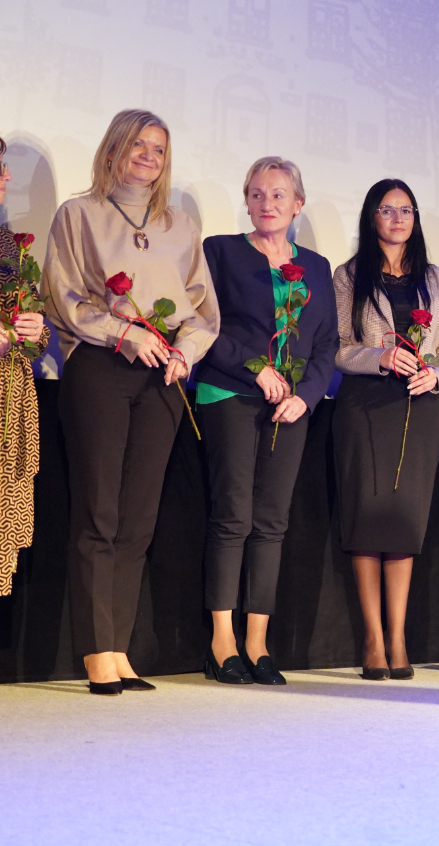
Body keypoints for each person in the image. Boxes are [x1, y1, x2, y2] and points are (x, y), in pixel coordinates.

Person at [42, 109, 219, 695]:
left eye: (159, 149)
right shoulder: (78, 214)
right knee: (99, 513)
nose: (148, 156)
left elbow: (202, 309)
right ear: (114, 149)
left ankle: (119, 648)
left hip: (163, 377)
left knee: (139, 518)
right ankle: (96, 649)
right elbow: (65, 297)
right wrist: (125, 334)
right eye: (138, 144)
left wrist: (184, 351)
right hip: (101, 367)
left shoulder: (179, 225)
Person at [197, 157, 338, 685]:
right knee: (233, 515)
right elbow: (204, 326)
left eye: (278, 195)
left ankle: (257, 642)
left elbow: (326, 343)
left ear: (297, 204)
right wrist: (255, 369)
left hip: (291, 405)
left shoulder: (317, 267)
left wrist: (307, 396)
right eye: (257, 194)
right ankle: (222, 642)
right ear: (246, 201)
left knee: (272, 521)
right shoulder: (221, 251)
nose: (267, 203)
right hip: (230, 391)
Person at [333, 179, 439, 680]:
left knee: (405, 523)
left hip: (420, 404)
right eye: (387, 209)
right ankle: (372, 637)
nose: (398, 218)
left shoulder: (437, 278)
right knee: (368, 520)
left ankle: (398, 636)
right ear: (372, 216)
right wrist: (381, 356)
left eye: (406, 209)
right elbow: (340, 348)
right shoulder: (349, 276)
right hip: (367, 404)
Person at [0, 138, 50, 596]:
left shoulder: (8, 246)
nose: (8, 176)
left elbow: (36, 336)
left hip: (10, 404)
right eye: (0, 168)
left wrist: (36, 329)